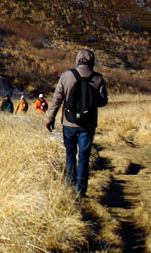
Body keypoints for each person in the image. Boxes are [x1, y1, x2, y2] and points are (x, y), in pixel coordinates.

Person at [45, 49, 109, 196]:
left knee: (70, 154)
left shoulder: (67, 75)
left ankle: (70, 185)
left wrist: (50, 118)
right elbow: (102, 101)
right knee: (84, 156)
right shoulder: (98, 78)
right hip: (88, 124)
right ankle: (80, 190)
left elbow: (57, 99)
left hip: (69, 122)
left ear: (77, 60)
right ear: (92, 61)